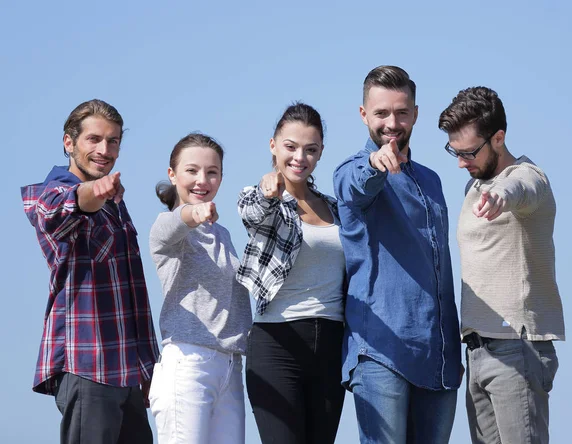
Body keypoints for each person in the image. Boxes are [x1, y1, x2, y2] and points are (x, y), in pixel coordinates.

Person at [333, 66, 461, 444]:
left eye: (401, 112)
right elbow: (355, 185)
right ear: (363, 115)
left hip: (439, 356)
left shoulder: (432, 179)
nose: (392, 122)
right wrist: (375, 164)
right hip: (381, 353)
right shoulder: (351, 169)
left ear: (416, 114)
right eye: (382, 113)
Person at [21, 99, 159, 444]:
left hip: (126, 370)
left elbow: (130, 291)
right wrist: (92, 192)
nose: (104, 149)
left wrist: (147, 364)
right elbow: (64, 205)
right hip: (88, 366)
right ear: (69, 143)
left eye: (113, 141)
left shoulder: (115, 203)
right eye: (93, 139)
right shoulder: (50, 193)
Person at [438, 86, 565, 444]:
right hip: (477, 351)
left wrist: (501, 195)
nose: (462, 163)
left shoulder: (529, 176)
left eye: (468, 153)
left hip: (517, 349)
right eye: (455, 152)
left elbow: (522, 188)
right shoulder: (473, 187)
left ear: (498, 138)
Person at [236, 102, 346, 443]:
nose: (300, 157)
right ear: (273, 146)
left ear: (321, 152)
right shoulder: (261, 197)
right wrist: (269, 192)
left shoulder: (336, 207)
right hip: (276, 345)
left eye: (310, 150)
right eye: (291, 147)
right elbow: (252, 213)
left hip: (331, 346)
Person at [148, 133, 252, 444]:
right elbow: (171, 225)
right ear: (173, 174)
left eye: (212, 171)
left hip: (231, 367)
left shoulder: (222, 234)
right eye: (191, 170)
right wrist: (193, 213)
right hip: (188, 363)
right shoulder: (168, 228)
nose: (202, 180)